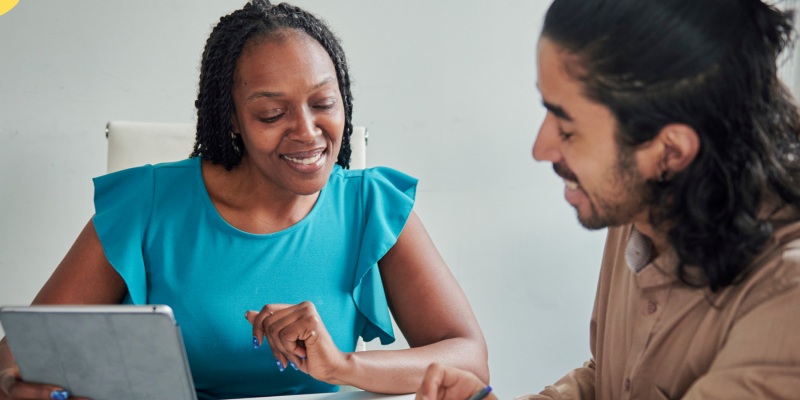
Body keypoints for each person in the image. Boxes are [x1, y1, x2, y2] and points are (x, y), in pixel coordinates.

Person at [0, 2, 489, 399]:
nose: (307, 131)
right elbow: (18, 359)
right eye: (272, 113)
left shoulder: (373, 205)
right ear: (231, 119)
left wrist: (344, 366)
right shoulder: (144, 204)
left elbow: (469, 356)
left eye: (324, 103)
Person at [416, 0, 800, 399]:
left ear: (670, 152)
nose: (540, 148)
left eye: (566, 128)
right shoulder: (640, 204)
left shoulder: (786, 303)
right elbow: (613, 379)